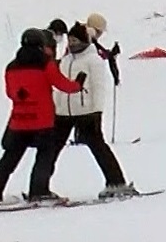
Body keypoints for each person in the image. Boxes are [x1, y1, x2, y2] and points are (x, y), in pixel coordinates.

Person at [0, 28, 83, 207]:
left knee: (10, 157)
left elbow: (10, 93)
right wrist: (78, 84)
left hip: (19, 120)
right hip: (43, 120)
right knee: (45, 155)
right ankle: (39, 191)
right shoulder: (45, 63)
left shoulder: (11, 66)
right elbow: (62, 84)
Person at [53, 22, 133, 200]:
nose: (72, 43)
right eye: (70, 40)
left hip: (86, 112)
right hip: (64, 113)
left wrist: (97, 111)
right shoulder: (65, 60)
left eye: (75, 40)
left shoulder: (93, 60)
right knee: (52, 148)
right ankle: (40, 188)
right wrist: (56, 107)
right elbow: (59, 87)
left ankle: (116, 182)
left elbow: (98, 87)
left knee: (98, 146)